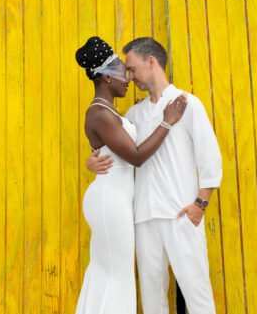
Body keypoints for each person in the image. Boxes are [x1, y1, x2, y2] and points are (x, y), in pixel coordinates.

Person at [86, 37, 222, 314]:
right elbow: (122, 151)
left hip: (181, 213)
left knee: (197, 293)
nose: (130, 76)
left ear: (151, 62)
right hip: (143, 217)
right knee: (151, 298)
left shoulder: (188, 104)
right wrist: (93, 160)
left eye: (132, 69)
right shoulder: (134, 113)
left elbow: (210, 157)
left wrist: (200, 204)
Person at [73, 36, 187, 314]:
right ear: (106, 78)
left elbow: (113, 147)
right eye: (123, 75)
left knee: (108, 273)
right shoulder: (100, 114)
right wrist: (166, 122)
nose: (128, 80)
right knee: (118, 274)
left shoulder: (110, 112)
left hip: (115, 198)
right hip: (109, 200)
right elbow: (135, 157)